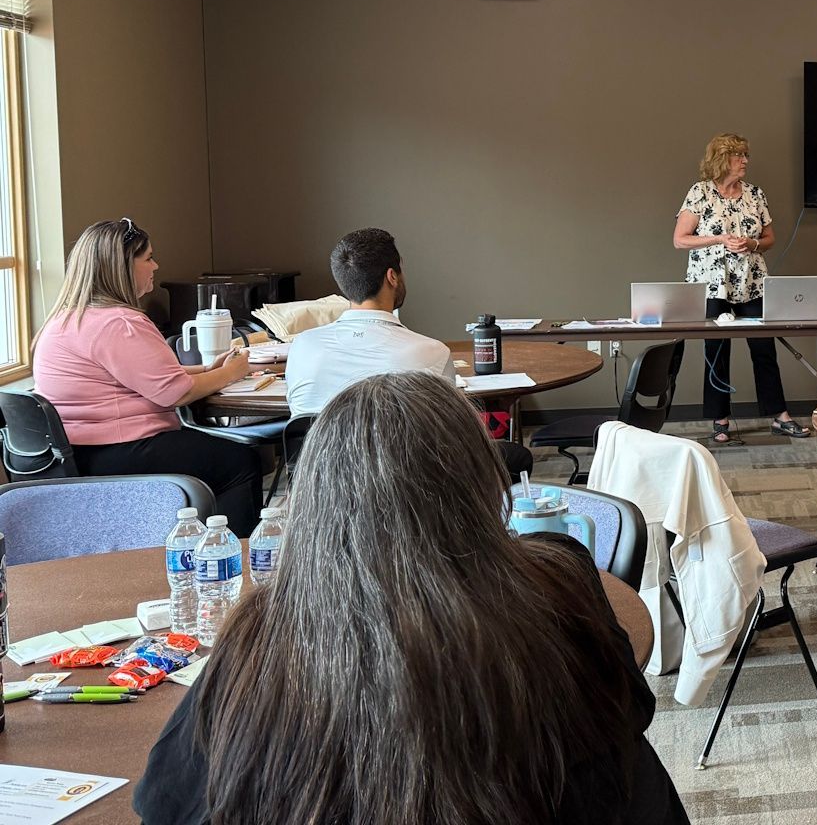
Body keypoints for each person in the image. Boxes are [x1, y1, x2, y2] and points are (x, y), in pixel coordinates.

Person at [132, 373, 690, 825]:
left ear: (315, 499)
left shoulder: (264, 637)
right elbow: (633, 709)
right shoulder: (557, 579)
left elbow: (163, 802)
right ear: (483, 486)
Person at [31, 218, 264, 531]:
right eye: (148, 258)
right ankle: (231, 561)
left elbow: (136, 375)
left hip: (74, 453)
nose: (155, 265)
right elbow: (175, 393)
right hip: (119, 452)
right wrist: (233, 372)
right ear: (124, 266)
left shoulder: (63, 321)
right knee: (239, 462)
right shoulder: (120, 324)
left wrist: (208, 369)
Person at [285, 227, 534, 475]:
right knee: (516, 457)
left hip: (320, 488)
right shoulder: (429, 352)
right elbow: (450, 432)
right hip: (407, 489)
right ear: (392, 276)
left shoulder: (302, 347)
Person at [673, 132, 809, 444]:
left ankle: (779, 416)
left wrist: (753, 243)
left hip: (752, 284)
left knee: (764, 349)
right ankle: (720, 420)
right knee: (716, 351)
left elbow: (770, 239)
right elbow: (680, 239)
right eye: (739, 156)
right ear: (722, 160)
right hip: (712, 286)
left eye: (746, 155)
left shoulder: (755, 194)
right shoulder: (700, 193)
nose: (745, 161)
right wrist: (720, 239)